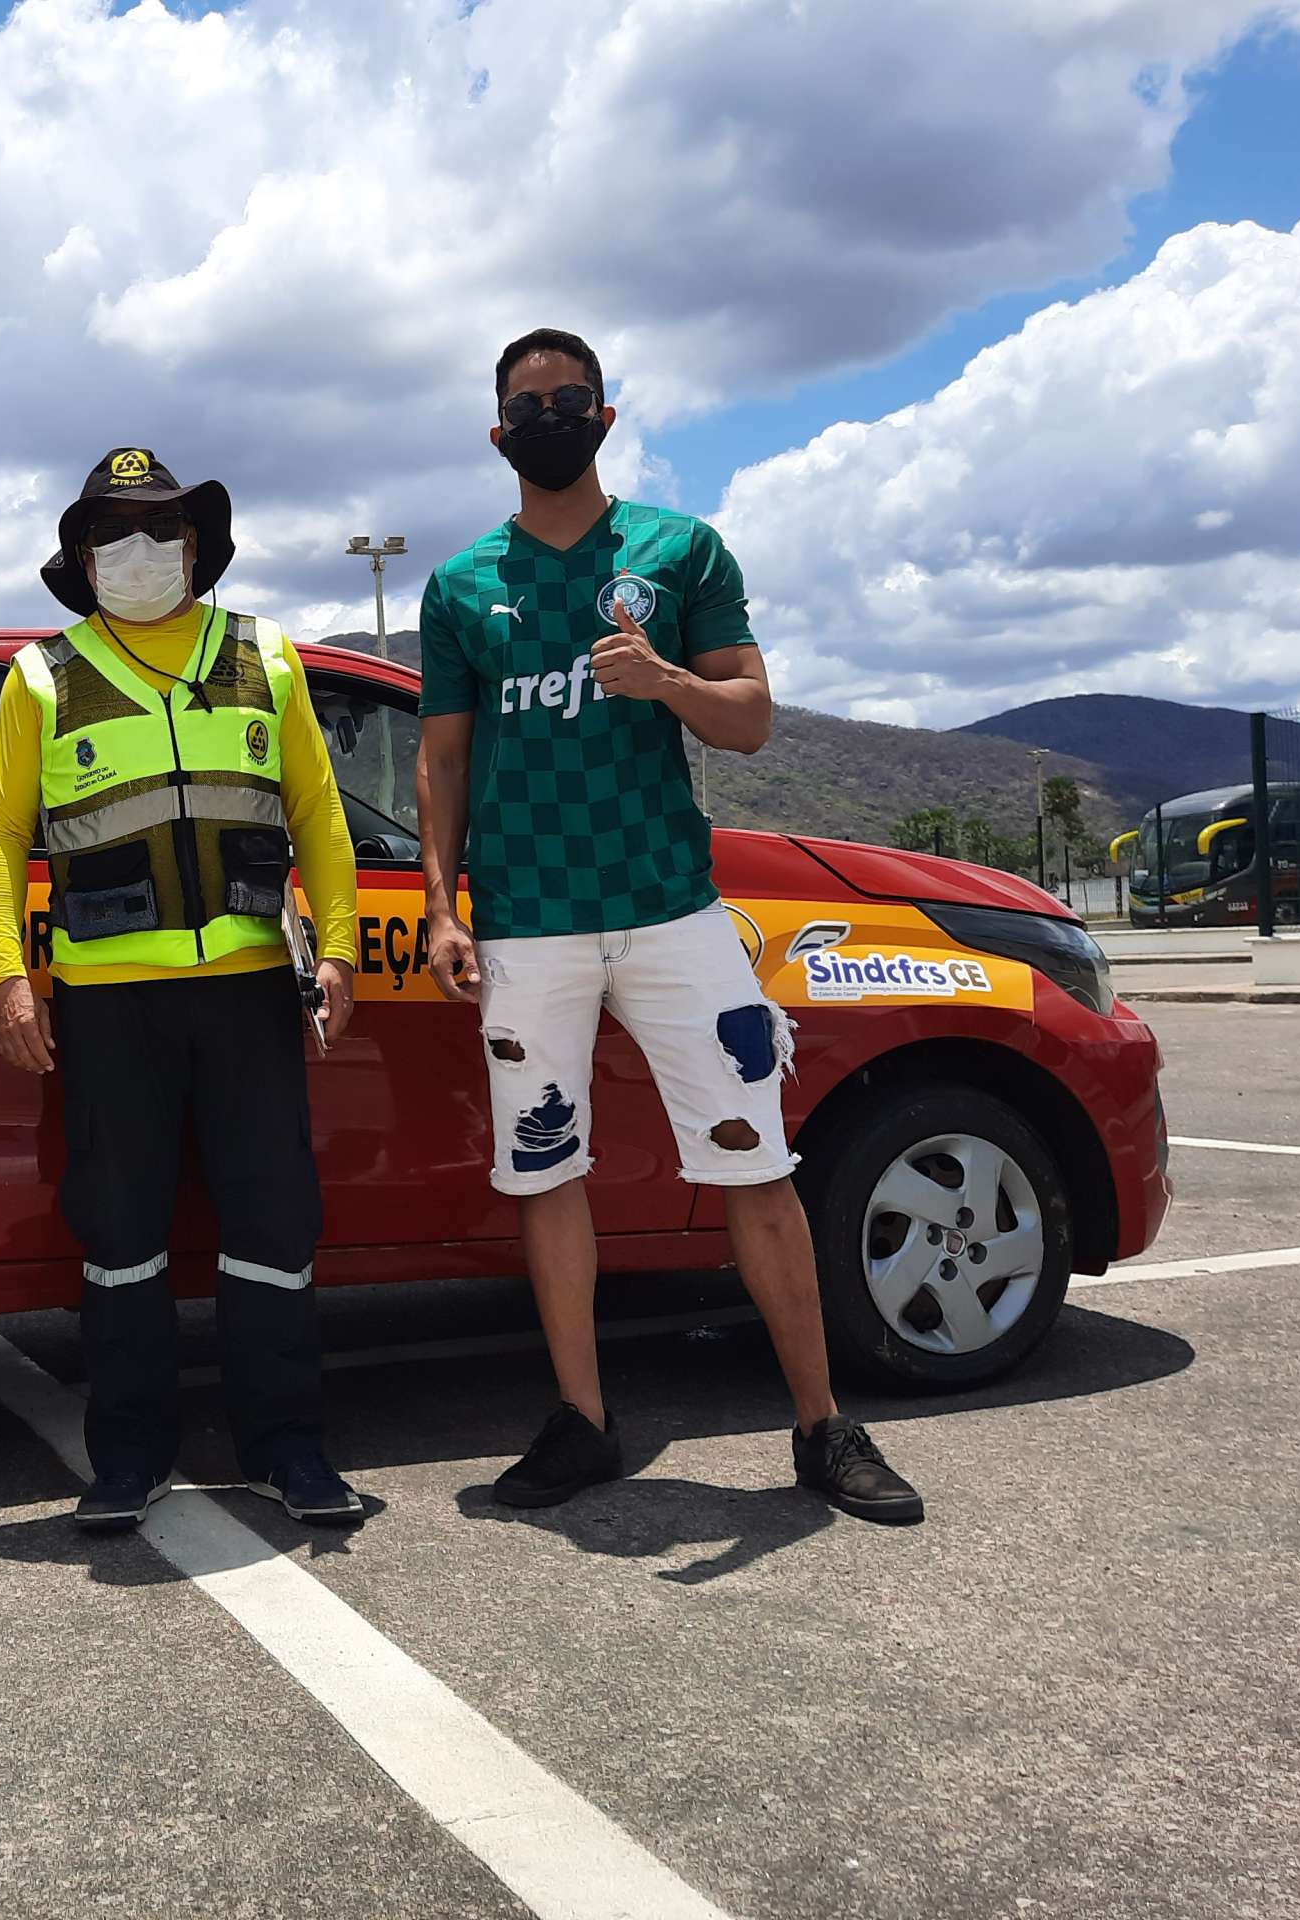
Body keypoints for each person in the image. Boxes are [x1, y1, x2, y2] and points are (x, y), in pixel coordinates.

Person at [417, 329, 924, 1525]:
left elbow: (748, 720)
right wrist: (442, 908)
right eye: (526, 403)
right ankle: (583, 1421)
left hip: (672, 915)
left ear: (604, 412)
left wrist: (668, 685)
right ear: (498, 434)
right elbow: (442, 762)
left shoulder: (678, 550)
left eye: (569, 397)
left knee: (756, 1160)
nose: (549, 415)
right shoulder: (456, 587)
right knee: (545, 1173)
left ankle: (820, 1424)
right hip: (529, 924)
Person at [0, 447, 367, 1529]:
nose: (138, 550)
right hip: (107, 1005)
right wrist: (8, 978)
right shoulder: (41, 675)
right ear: (81, 556)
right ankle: (127, 1458)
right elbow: (0, 835)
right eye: (112, 533)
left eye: (159, 530)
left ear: (196, 547)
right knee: (119, 1234)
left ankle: (288, 1449)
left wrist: (335, 949)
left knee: (273, 1227)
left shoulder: (266, 656)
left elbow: (320, 815)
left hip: (247, 992)